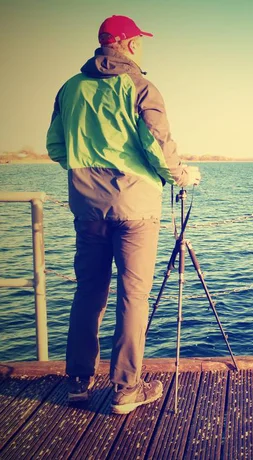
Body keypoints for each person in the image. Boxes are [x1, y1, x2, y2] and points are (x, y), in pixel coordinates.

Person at [46, 15, 201, 415]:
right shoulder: (141, 86)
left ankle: (78, 383)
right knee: (133, 296)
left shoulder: (69, 88)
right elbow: (159, 146)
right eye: (139, 42)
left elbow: (56, 147)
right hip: (135, 209)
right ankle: (125, 390)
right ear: (129, 45)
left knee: (89, 292)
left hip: (87, 208)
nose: (141, 48)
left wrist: (87, 173)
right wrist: (183, 175)